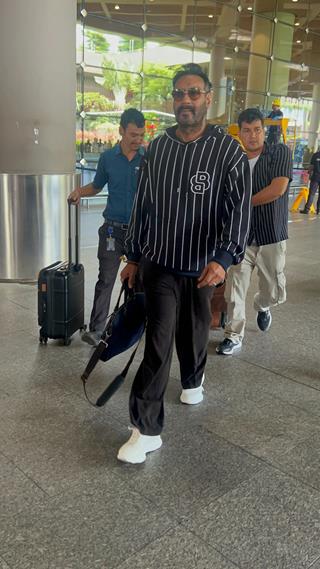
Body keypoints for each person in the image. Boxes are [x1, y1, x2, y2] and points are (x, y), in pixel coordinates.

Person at [117, 63, 252, 464]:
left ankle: (193, 379)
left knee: (193, 333)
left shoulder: (228, 151)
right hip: (158, 264)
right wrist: (133, 255)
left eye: (193, 93)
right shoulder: (157, 148)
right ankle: (146, 429)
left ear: (208, 98)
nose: (186, 100)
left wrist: (225, 257)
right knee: (158, 344)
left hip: (201, 268)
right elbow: (142, 205)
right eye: (179, 94)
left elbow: (239, 210)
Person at [217, 108, 292, 356]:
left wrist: (241, 204)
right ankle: (233, 335)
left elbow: (277, 189)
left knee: (275, 292)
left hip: (271, 233)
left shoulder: (279, 152)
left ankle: (262, 306)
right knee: (235, 286)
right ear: (240, 133)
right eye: (247, 131)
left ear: (263, 130)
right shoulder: (234, 160)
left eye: (257, 130)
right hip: (241, 236)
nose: (252, 136)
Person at [68, 108, 145, 346]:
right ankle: (96, 329)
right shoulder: (108, 158)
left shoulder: (148, 158)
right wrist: (79, 191)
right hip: (112, 230)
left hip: (140, 231)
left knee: (137, 282)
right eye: (133, 134)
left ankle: (134, 329)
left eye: (141, 135)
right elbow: (97, 186)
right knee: (106, 279)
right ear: (121, 131)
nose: (138, 140)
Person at [300, 147, 320, 215]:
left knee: (311, 194)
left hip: (315, 178)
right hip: (315, 177)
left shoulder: (315, 155)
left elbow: (311, 166)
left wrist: (309, 173)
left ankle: (306, 210)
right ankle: (318, 210)